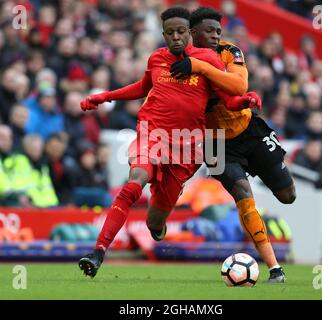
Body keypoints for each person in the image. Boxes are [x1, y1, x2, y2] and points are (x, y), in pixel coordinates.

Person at [78, 7, 259, 278]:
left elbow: (228, 97)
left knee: (155, 220)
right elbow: (142, 87)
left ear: (190, 33)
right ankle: (98, 252)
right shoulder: (157, 58)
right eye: (170, 32)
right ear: (163, 34)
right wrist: (105, 96)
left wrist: (245, 100)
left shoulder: (207, 58)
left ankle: (157, 227)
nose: (175, 37)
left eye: (181, 31)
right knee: (133, 183)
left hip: (186, 148)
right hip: (152, 134)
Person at [169, 7, 296, 283]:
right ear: (192, 33)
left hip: (248, 129)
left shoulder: (229, 51)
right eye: (210, 31)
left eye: (218, 31)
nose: (216, 35)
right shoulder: (178, 63)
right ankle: (275, 268)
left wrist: (200, 67)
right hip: (215, 146)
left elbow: (239, 86)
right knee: (243, 196)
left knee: (288, 195)